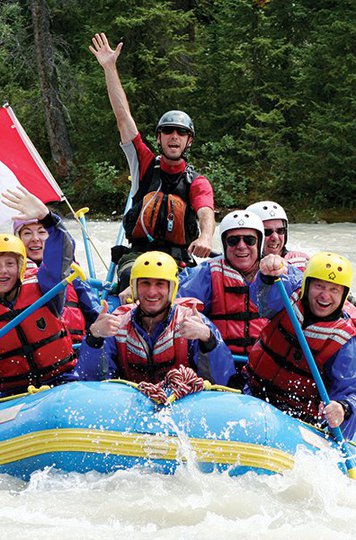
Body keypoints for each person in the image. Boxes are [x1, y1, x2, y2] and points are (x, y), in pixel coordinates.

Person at [89, 33, 215, 289]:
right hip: (138, 256)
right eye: (168, 131)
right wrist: (110, 68)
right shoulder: (144, 164)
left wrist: (206, 237)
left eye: (181, 133)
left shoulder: (197, 182)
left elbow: (205, 212)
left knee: (187, 286)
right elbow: (123, 118)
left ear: (188, 141)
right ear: (159, 137)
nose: (174, 137)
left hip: (177, 262)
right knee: (131, 278)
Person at [178, 210, 301, 388]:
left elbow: (311, 297)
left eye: (249, 240)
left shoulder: (282, 270)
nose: (241, 246)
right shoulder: (207, 272)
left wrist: (276, 278)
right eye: (233, 241)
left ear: (259, 244)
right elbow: (176, 300)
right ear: (225, 245)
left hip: (266, 365)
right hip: (219, 362)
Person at [77, 251, 235, 386]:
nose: (152, 292)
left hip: (180, 403)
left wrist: (208, 341)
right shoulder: (117, 323)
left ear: (171, 289)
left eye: (160, 284)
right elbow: (90, 382)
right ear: (135, 288)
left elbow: (222, 382)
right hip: (131, 404)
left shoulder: (194, 321)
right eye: (145, 283)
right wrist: (94, 339)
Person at [245, 251, 356, 440]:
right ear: (307, 285)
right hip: (252, 393)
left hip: (299, 419)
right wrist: (266, 275)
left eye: (334, 289)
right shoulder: (287, 293)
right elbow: (261, 298)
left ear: (344, 295)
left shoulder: (346, 340)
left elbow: (350, 389)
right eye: (319, 286)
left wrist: (344, 407)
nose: (325, 295)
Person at [0, 187, 80, 395]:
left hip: (61, 381)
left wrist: (48, 219)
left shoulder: (44, 286)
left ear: (21, 267)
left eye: (10, 264)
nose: (3, 272)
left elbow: (62, 253)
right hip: (11, 394)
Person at [13, 217, 100, 345]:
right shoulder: (9, 275)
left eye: (41, 232)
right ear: (18, 240)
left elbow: (92, 307)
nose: (35, 238)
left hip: (75, 344)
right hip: (37, 349)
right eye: (27, 233)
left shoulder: (70, 270)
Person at [246, 200, 310, 270]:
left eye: (280, 230)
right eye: (266, 232)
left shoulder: (300, 262)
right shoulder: (242, 268)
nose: (275, 237)